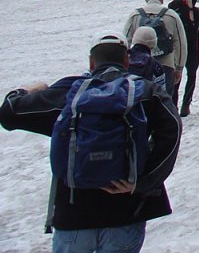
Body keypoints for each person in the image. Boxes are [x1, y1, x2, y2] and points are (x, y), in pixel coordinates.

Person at [0, 31, 181, 253]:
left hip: (74, 212)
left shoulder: (70, 92)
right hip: (127, 210)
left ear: (91, 61)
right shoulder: (145, 91)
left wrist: (29, 89)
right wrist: (143, 181)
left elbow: (8, 114)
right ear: (126, 60)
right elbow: (172, 129)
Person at [123, 0, 187, 102]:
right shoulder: (171, 15)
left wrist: (123, 64)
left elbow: (125, 41)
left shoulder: (135, 15)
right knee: (164, 100)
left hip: (138, 65)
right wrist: (179, 68)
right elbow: (181, 43)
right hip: (166, 64)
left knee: (140, 99)